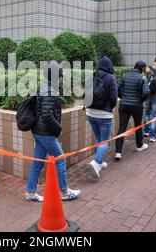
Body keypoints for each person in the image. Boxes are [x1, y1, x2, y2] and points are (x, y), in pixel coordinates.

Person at [25, 61, 81, 202]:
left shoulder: (42, 86)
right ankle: (64, 191)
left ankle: (30, 193)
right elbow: (47, 115)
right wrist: (58, 128)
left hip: (38, 131)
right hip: (45, 133)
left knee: (37, 163)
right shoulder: (49, 90)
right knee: (60, 159)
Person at [86, 56, 118, 178]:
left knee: (99, 138)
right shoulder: (111, 78)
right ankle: (95, 161)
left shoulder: (91, 76)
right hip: (104, 114)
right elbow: (114, 97)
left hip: (90, 112)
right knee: (105, 140)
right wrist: (110, 107)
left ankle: (99, 162)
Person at [115, 61, 150, 161]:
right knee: (138, 126)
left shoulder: (125, 76)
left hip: (124, 105)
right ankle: (139, 146)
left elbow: (117, 88)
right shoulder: (142, 78)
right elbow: (146, 92)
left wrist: (122, 97)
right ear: (143, 69)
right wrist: (140, 100)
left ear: (134, 66)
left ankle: (118, 152)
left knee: (122, 127)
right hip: (137, 106)